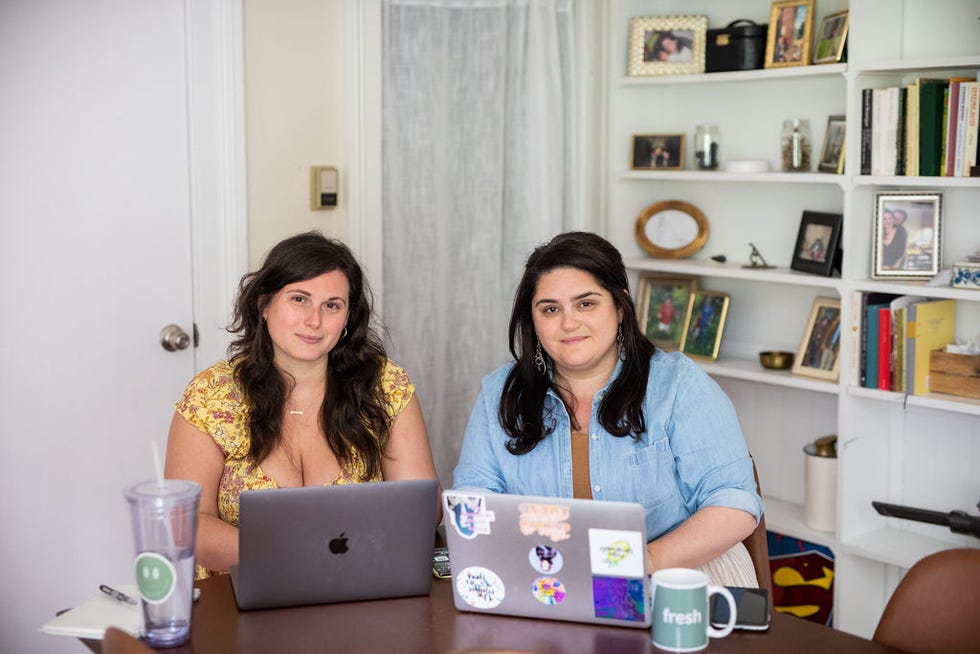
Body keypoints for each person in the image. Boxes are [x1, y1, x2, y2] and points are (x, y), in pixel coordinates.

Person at [452, 231, 763, 587]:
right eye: (551, 309)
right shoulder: (498, 394)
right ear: (533, 321)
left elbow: (734, 504)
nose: (569, 323)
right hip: (548, 583)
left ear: (620, 307)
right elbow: (473, 506)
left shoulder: (679, 386)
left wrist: (640, 562)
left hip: (683, 576)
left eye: (586, 303)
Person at [165, 231, 441, 579]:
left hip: (359, 585)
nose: (315, 321)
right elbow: (186, 524)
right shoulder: (210, 395)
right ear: (263, 305)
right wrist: (296, 559)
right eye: (299, 299)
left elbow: (421, 506)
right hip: (239, 595)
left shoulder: (386, 386)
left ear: (347, 319)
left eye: (332, 305)